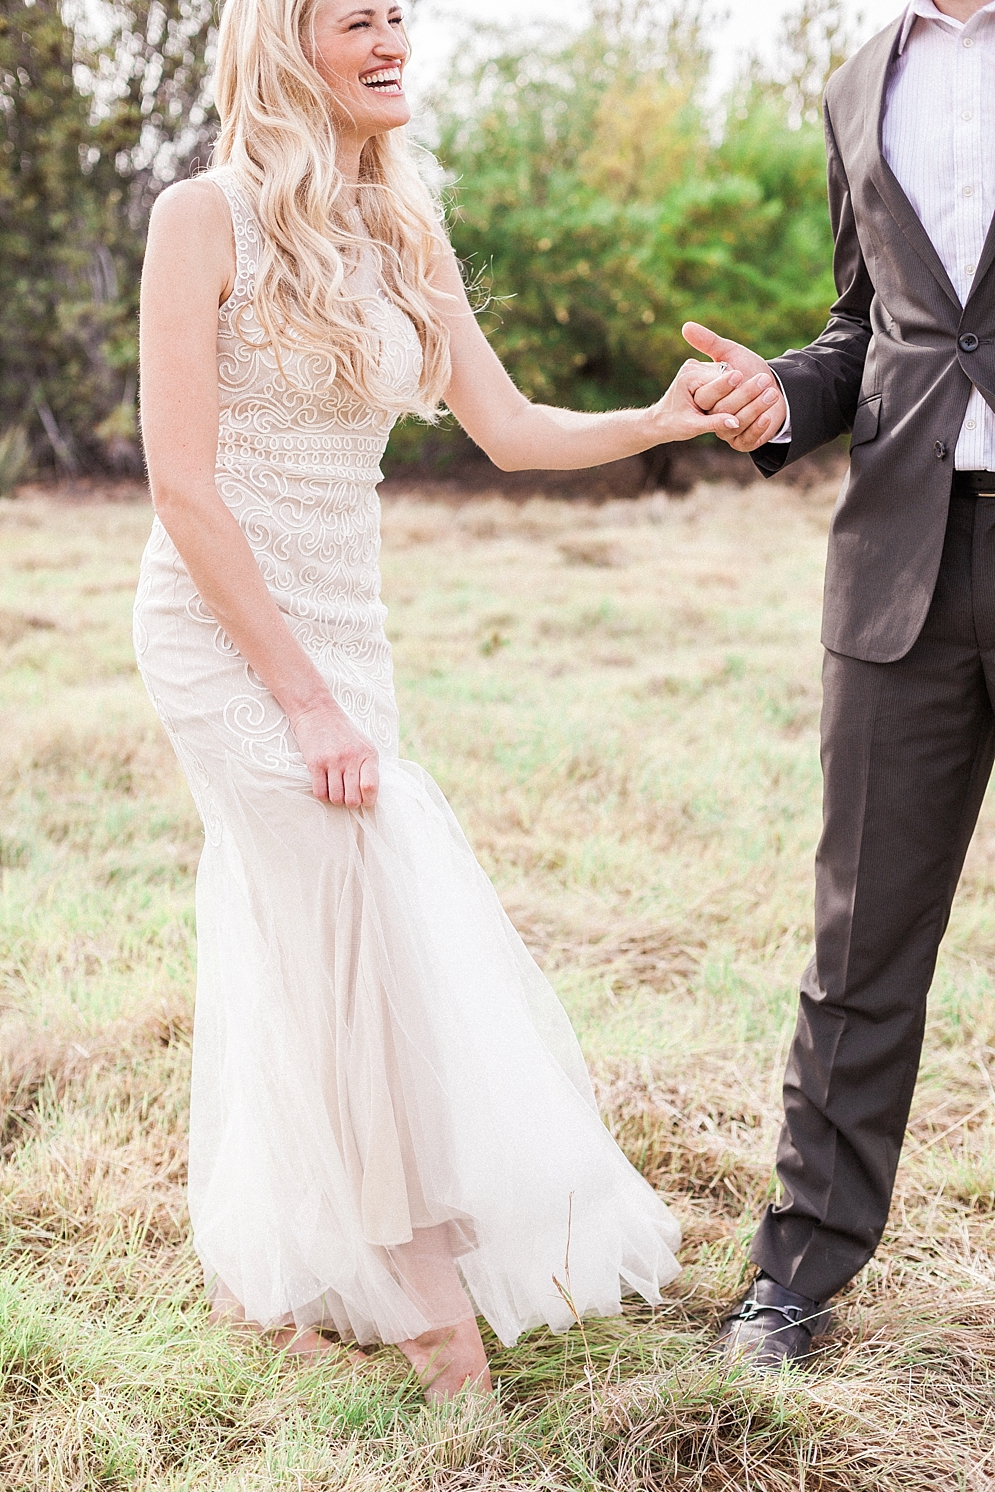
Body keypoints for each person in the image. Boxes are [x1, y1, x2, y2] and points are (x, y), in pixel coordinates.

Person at [135, 0, 743, 1402]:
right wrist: (303, 706)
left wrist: (660, 420)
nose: (393, 36)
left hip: (351, 641)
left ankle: (276, 1262)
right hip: (226, 639)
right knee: (361, 941)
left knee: (312, 936)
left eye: (400, 14)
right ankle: (432, 1321)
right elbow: (184, 487)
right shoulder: (200, 217)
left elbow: (514, 430)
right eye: (358, 18)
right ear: (287, 47)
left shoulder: (406, 229)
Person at [683, 0, 995, 1369]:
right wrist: (784, 402)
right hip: (900, 566)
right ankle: (795, 1274)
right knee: (858, 945)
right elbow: (864, 324)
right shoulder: (857, 79)